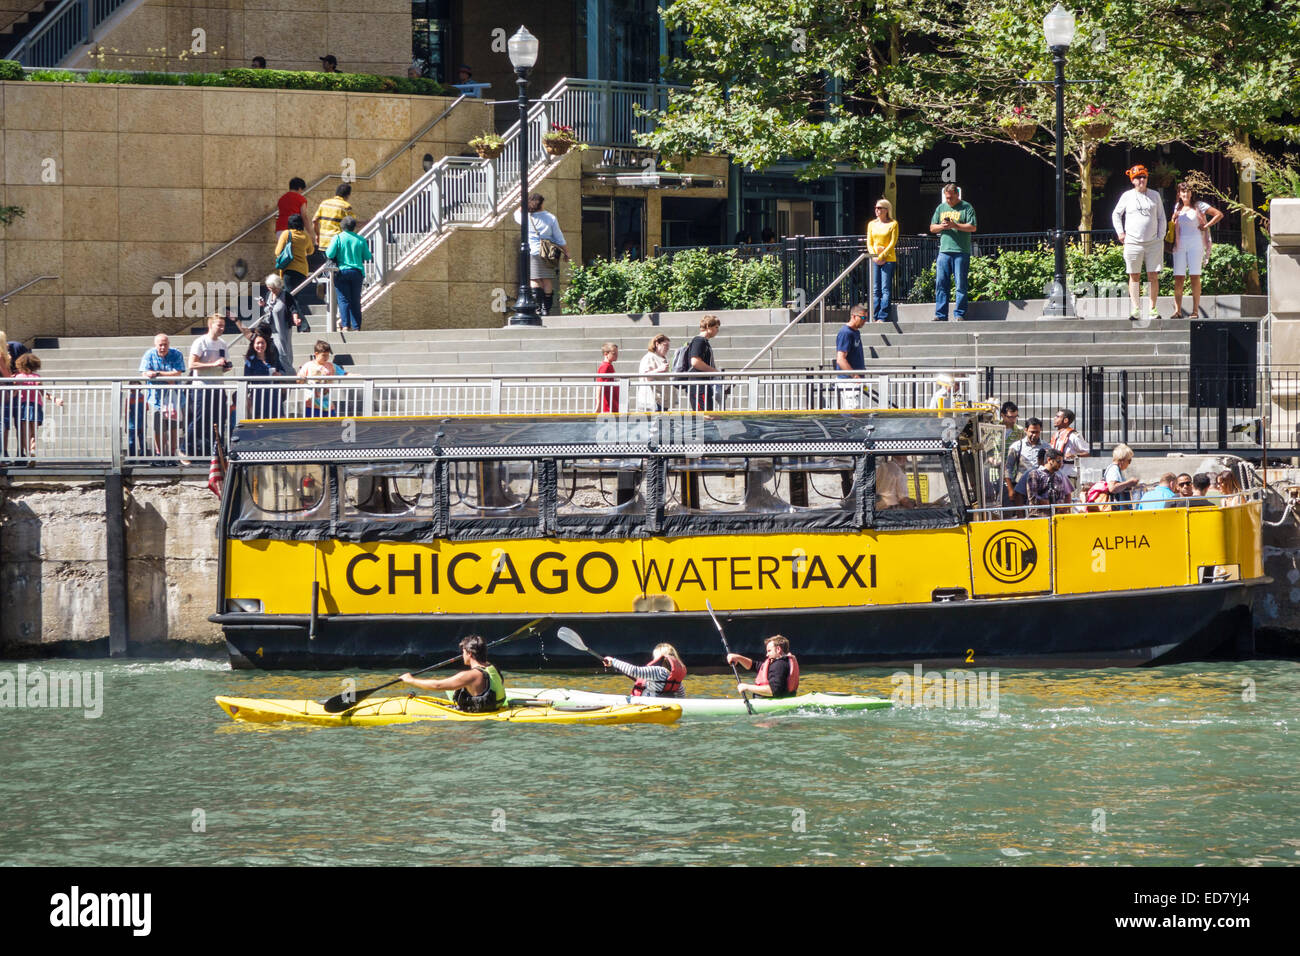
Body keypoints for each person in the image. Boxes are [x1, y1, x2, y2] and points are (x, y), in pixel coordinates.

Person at [1111, 164, 1168, 321]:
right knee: (1134, 275)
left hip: (1153, 243)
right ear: (1132, 180)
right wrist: (1120, 233)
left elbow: (1162, 217)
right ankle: (1136, 308)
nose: (1141, 180)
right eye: (1138, 177)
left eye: (1144, 177)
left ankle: (1152, 308)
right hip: (1133, 242)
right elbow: (1116, 214)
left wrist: (1161, 235)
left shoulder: (1155, 195)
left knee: (1153, 275)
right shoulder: (1127, 196)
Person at [398, 635, 506, 713]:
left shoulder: (470, 675)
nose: (462, 656)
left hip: (479, 714)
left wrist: (410, 680)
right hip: (494, 706)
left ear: (469, 654)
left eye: (463, 653)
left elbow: (437, 685)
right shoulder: (492, 667)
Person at [1170, 182, 1223, 319]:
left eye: (1188, 192)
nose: (1185, 194)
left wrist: (1206, 225)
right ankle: (1177, 311)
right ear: (1179, 194)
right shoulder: (1177, 207)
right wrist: (1173, 218)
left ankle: (1195, 311)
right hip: (1179, 244)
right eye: (1183, 192)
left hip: (1195, 243)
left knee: (1195, 276)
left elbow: (1218, 214)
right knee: (1179, 277)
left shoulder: (1199, 205)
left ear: (1191, 193)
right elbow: (1173, 225)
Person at [513, 193, 570, 316]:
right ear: (542, 203)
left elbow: (516, 213)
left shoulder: (526, 217)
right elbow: (559, 237)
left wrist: (524, 203)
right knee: (547, 280)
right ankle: (546, 309)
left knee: (535, 279)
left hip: (533, 251)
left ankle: (538, 308)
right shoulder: (550, 218)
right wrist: (566, 251)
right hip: (548, 253)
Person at [929, 183, 977, 321]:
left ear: (957, 195)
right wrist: (942, 226)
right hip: (944, 251)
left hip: (961, 251)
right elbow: (932, 227)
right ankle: (941, 315)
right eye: (947, 198)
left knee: (960, 284)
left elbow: (972, 227)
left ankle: (959, 314)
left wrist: (955, 225)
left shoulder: (967, 207)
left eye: (951, 197)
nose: (948, 200)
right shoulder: (941, 207)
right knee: (941, 283)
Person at [187, 313, 232, 457]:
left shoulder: (223, 344)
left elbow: (223, 365)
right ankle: (185, 447)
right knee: (200, 419)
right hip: (202, 387)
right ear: (210, 325)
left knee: (219, 418)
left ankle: (213, 451)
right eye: (219, 325)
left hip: (218, 386)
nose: (221, 328)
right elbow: (192, 364)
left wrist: (225, 367)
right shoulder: (201, 342)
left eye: (223, 326)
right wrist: (213, 364)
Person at [139, 333, 188, 462]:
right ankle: (160, 454)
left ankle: (172, 455)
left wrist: (158, 374)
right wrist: (164, 377)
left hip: (174, 398)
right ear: (155, 345)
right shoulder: (149, 354)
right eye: (160, 345)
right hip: (156, 398)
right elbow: (144, 373)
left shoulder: (176, 354)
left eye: (165, 344)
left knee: (173, 426)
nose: (162, 347)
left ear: (169, 344)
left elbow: (177, 373)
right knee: (157, 427)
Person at [325, 215, 372, 331]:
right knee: (355, 300)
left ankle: (345, 325)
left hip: (341, 271)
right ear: (354, 227)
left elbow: (329, 254)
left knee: (343, 299)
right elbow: (368, 256)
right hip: (357, 272)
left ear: (342, 226)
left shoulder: (338, 238)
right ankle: (357, 327)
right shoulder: (360, 239)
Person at [11, 353, 63, 460]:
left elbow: (14, 393)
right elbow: (43, 393)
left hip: (22, 406)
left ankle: (29, 454)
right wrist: (55, 399)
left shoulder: (18, 377)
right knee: (33, 433)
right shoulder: (37, 377)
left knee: (24, 432)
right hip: (36, 406)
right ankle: (33, 449)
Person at [726, 635, 799, 699]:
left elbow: (773, 691)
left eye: (769, 651)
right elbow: (754, 665)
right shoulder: (782, 662)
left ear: (778, 649)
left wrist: (747, 687)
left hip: (772, 702)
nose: (767, 654)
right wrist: (737, 657)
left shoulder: (779, 665)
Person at [603, 643, 687, 698]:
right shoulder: (676, 679)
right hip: (663, 707)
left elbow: (634, 670)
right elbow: (681, 697)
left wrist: (613, 661)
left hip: (644, 706)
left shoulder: (658, 671)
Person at [275, 212, 316, 310]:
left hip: (289, 270)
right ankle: (293, 321)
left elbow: (277, 252)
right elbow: (311, 251)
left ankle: (302, 324)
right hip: (302, 271)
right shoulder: (305, 236)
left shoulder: (286, 234)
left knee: (291, 298)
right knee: (294, 296)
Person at [868, 198, 899, 322]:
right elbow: (869, 243)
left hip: (888, 259)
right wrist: (874, 256)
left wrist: (882, 255)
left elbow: (893, 242)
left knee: (885, 288)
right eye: (876, 208)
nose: (877, 210)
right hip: (875, 259)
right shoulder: (871, 224)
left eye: (880, 208)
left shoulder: (893, 224)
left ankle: (882, 316)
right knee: (875, 289)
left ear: (886, 210)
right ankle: (873, 316)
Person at [297, 340, 347, 417]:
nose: (326, 358)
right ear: (316, 354)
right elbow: (298, 380)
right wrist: (301, 378)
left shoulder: (331, 366)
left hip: (328, 406)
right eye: (324, 355)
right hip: (312, 405)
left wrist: (359, 376)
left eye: (327, 355)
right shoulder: (308, 365)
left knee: (331, 426)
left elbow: (345, 374)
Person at [259, 273, 297, 372]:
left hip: (282, 327)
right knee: (274, 352)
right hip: (270, 328)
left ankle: (290, 374)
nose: (271, 290)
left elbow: (293, 308)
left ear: (279, 286)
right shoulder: (269, 295)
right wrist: (263, 304)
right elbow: (268, 308)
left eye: (273, 288)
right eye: (269, 288)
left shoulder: (286, 295)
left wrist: (295, 318)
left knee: (283, 351)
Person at [243, 330, 284, 418]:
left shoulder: (273, 358)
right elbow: (246, 381)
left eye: (262, 343)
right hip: (258, 397)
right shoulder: (250, 361)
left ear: (266, 344)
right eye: (258, 343)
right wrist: (247, 399)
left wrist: (279, 374)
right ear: (253, 345)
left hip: (274, 396)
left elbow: (282, 371)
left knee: (276, 422)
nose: (260, 346)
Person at [1004, 416, 1044, 506]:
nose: (1034, 435)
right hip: (1021, 488)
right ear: (1026, 430)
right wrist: (1010, 490)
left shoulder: (1046, 446)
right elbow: (1008, 468)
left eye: (1037, 432)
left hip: (1040, 488)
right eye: (1032, 432)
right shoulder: (1017, 446)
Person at [835, 304, 868, 409]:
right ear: (853, 316)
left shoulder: (856, 332)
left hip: (855, 381)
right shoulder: (845, 333)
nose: (865, 320)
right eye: (862, 317)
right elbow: (840, 359)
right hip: (848, 381)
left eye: (866, 318)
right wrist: (854, 375)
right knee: (853, 412)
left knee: (858, 411)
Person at [687, 313, 721, 411]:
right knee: (703, 416)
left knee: (708, 414)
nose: (717, 330)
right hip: (698, 386)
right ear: (708, 326)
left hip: (703, 385)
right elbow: (695, 361)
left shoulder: (704, 342)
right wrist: (714, 371)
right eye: (716, 327)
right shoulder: (699, 341)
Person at [312, 182, 356, 256]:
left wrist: (317, 235)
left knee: (328, 265)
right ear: (348, 195)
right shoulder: (346, 206)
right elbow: (352, 223)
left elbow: (314, 220)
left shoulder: (324, 203)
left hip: (323, 242)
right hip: (338, 242)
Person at [1024, 447, 1070, 517]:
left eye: (1061, 462)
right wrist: (1050, 503)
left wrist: (1059, 506)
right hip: (1038, 516)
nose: (1061, 464)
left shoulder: (1058, 478)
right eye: (1058, 461)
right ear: (1049, 460)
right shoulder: (1035, 474)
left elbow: (1061, 498)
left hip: (1055, 517)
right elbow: (1033, 498)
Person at [1050, 408, 1090, 486]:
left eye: (1057, 417)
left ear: (1065, 420)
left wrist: (1075, 455)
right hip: (1055, 474)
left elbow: (1088, 452)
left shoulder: (1074, 436)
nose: (1054, 418)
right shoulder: (1056, 435)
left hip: (1068, 475)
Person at [636, 334, 672, 412]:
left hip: (661, 399)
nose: (667, 348)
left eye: (668, 346)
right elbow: (645, 376)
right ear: (657, 344)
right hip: (652, 399)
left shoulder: (661, 358)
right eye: (665, 345)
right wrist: (660, 369)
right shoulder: (649, 357)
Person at [1102, 443, 1141, 510]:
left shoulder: (1114, 469)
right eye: (1129, 461)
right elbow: (1112, 488)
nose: (1129, 463)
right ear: (1122, 460)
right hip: (1116, 509)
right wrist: (1128, 483)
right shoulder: (1114, 469)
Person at [596, 342, 619, 413]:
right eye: (614, 353)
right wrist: (599, 405)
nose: (616, 355)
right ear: (606, 354)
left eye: (617, 353)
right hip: (608, 405)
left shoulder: (609, 366)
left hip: (612, 403)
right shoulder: (605, 367)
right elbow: (600, 386)